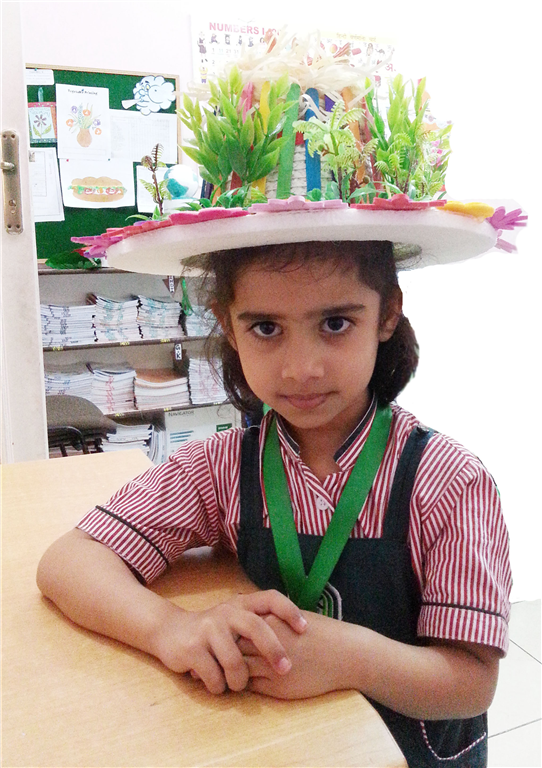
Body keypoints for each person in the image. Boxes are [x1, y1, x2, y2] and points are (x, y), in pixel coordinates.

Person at [38, 234, 512, 768]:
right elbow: (69, 561)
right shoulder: (220, 468)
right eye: (266, 328)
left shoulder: (450, 483)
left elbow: (472, 682)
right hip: (281, 747)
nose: (300, 368)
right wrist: (170, 627)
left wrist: (349, 658)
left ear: (387, 314)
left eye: (335, 323)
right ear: (228, 325)